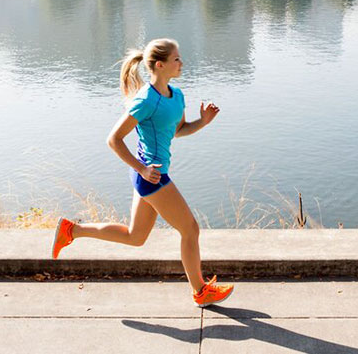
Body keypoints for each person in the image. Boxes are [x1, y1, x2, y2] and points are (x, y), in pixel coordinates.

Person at [51, 38, 233, 307]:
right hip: (152, 176)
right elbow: (114, 139)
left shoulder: (177, 96)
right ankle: (200, 290)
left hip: (151, 174)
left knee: (135, 237)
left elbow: (178, 131)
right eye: (176, 59)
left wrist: (203, 122)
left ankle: (71, 230)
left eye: (180, 58)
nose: (181, 63)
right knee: (190, 229)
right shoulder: (146, 100)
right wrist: (142, 169)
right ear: (160, 65)